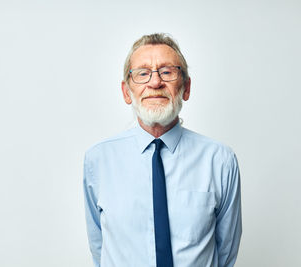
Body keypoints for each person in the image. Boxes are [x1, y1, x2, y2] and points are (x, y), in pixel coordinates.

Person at [83, 33, 242, 267]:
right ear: (127, 92)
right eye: (143, 73)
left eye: (167, 72)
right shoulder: (98, 160)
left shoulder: (219, 160)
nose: (155, 83)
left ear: (186, 88)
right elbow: (99, 247)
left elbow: (226, 252)